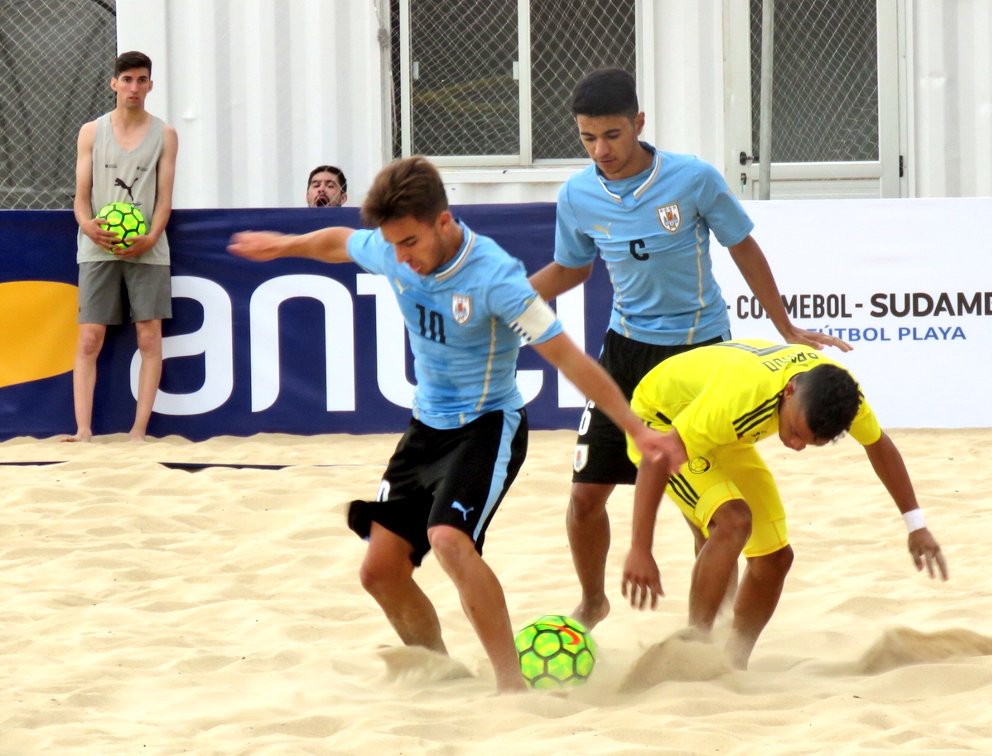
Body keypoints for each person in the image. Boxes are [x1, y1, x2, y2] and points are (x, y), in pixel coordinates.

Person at [227, 156, 683, 693]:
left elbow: (569, 357)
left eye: (411, 243)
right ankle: (442, 672)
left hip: (489, 425)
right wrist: (282, 245)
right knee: (379, 572)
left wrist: (634, 427)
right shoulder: (393, 249)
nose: (402, 258)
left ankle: (511, 689)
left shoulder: (495, 275)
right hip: (426, 426)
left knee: (447, 538)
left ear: (444, 221)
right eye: (393, 244)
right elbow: (338, 242)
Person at [528, 67, 849, 630]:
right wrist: (507, 298)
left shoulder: (692, 178)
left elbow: (743, 248)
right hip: (625, 352)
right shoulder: (578, 195)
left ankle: (710, 622)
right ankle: (593, 600)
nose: (600, 149)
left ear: (639, 124)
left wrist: (786, 325)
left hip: (701, 354)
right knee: (585, 497)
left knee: (702, 509)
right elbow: (572, 268)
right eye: (587, 138)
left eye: (612, 135)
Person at [619, 338, 948, 670]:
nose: (795, 444)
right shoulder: (739, 399)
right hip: (660, 424)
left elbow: (879, 445)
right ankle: (692, 653)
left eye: (808, 442)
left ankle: (732, 665)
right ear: (789, 391)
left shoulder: (846, 399)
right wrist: (640, 548)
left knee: (776, 559)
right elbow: (658, 457)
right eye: (794, 431)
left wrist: (916, 525)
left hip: (723, 434)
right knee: (734, 521)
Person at [67, 50, 178, 442]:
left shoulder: (164, 134)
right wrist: (89, 226)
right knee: (89, 337)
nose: (134, 87)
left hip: (147, 247)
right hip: (98, 246)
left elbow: (164, 200)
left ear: (150, 85)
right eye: (127, 79)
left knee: (149, 336)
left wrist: (150, 237)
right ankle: (83, 431)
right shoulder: (91, 132)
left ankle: (138, 431)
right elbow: (81, 196)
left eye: (141, 80)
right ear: (114, 83)